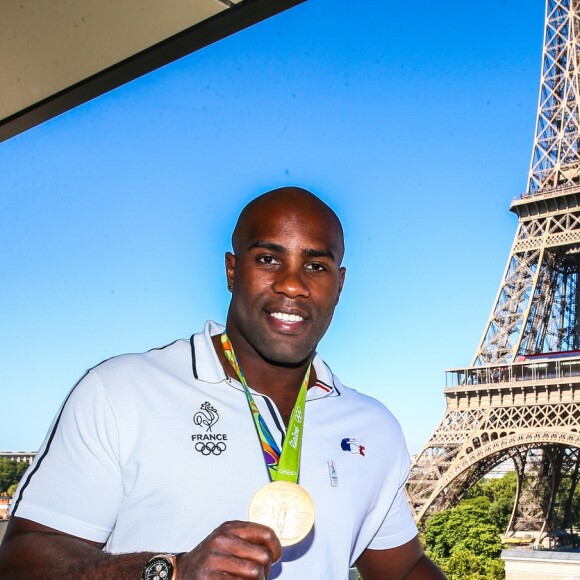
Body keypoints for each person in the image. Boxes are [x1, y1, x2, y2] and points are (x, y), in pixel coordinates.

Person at [0, 187, 445, 579]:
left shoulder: (373, 426)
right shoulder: (120, 392)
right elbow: (19, 561)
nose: (292, 285)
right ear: (233, 270)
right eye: (269, 259)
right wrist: (169, 571)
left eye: (316, 266)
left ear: (340, 283)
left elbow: (402, 569)